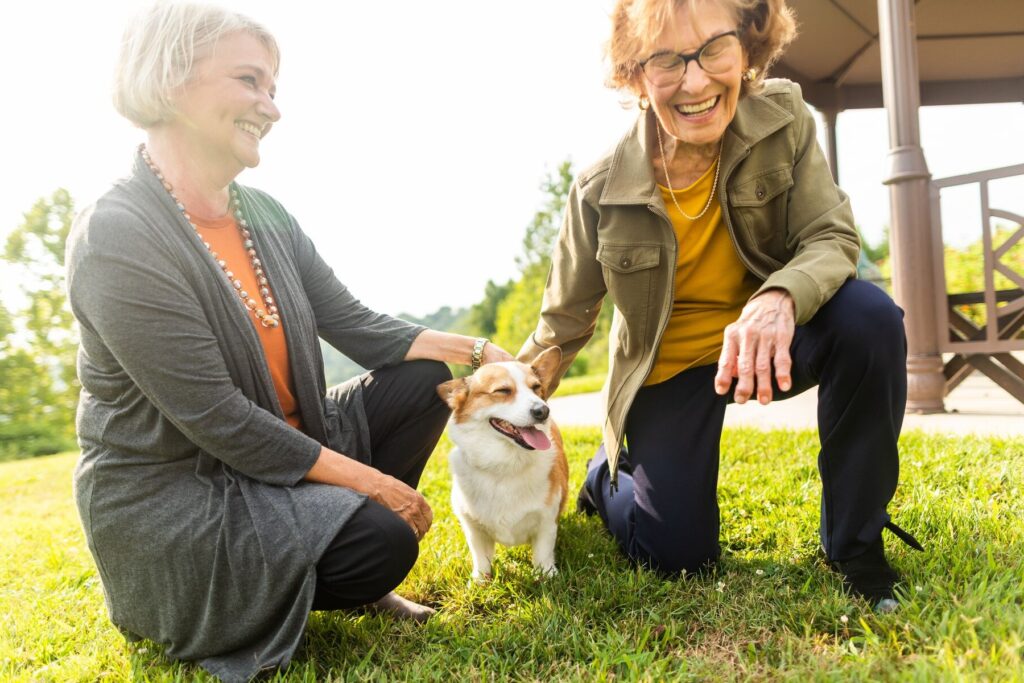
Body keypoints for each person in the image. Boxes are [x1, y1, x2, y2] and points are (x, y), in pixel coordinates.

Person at [66, 3, 511, 680]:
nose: (270, 108)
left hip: (278, 448)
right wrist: (376, 486)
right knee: (381, 540)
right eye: (249, 81)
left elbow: (358, 324)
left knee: (428, 376)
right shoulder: (118, 234)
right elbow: (219, 418)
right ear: (170, 80)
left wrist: (476, 351)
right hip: (180, 494)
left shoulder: (264, 214)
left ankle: (338, 548)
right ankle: (340, 565)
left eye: (273, 88)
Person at [518, 0, 921, 612]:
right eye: (666, 60)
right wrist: (501, 393)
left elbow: (830, 236)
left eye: (714, 48)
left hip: (771, 341)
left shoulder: (784, 117)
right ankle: (606, 479)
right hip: (670, 370)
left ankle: (854, 548)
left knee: (868, 318)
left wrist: (779, 296)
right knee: (676, 556)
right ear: (634, 75)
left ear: (749, 46)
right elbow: (565, 319)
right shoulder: (599, 187)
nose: (697, 80)